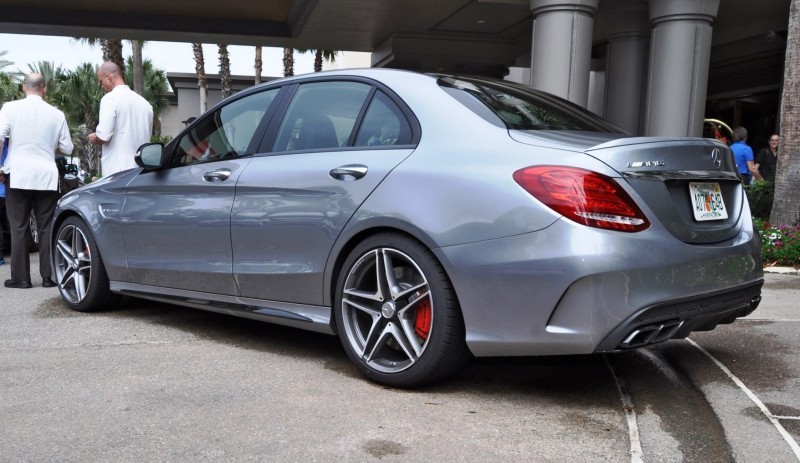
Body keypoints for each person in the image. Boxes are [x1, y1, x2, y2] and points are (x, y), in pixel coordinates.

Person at [0, 73, 74, 289]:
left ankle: (21, 278)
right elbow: (68, 147)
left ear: (24, 88)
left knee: (19, 226)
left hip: (18, 173)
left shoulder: (10, 108)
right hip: (46, 175)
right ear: (44, 89)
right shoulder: (56, 114)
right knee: (46, 226)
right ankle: (49, 276)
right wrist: (47, 144)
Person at [88, 61, 153, 177]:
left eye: (100, 81)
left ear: (108, 77)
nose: (101, 85)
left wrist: (94, 138)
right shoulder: (146, 104)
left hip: (117, 173)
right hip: (141, 172)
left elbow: (104, 136)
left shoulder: (110, 99)